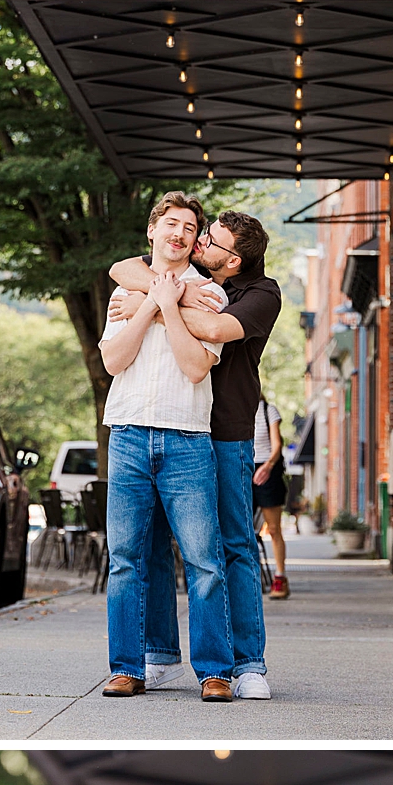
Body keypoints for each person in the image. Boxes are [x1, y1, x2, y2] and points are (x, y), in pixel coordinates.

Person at [109, 209, 283, 697]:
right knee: (151, 548)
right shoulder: (197, 280)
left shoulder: (259, 294)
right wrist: (162, 292)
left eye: (210, 240)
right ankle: (159, 656)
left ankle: (247, 663)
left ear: (232, 261)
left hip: (223, 432)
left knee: (231, 547)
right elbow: (122, 268)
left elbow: (215, 331)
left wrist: (157, 302)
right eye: (201, 234)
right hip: (174, 424)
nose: (199, 242)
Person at [98, 192, 238, 700]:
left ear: (195, 239)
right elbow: (114, 361)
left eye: (188, 227)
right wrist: (148, 307)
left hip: (186, 438)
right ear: (153, 230)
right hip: (129, 433)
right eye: (170, 223)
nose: (178, 234)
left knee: (203, 560)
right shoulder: (123, 292)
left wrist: (163, 306)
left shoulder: (210, 296)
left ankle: (215, 672)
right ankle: (127, 667)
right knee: (126, 559)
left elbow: (197, 366)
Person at [253, 400, 290, 599]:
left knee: (274, 529)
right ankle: (248, 578)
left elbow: (277, 444)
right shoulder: (237, 406)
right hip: (244, 467)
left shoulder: (268, 410)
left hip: (267, 470)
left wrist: (267, 466)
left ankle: (280, 578)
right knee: (242, 531)